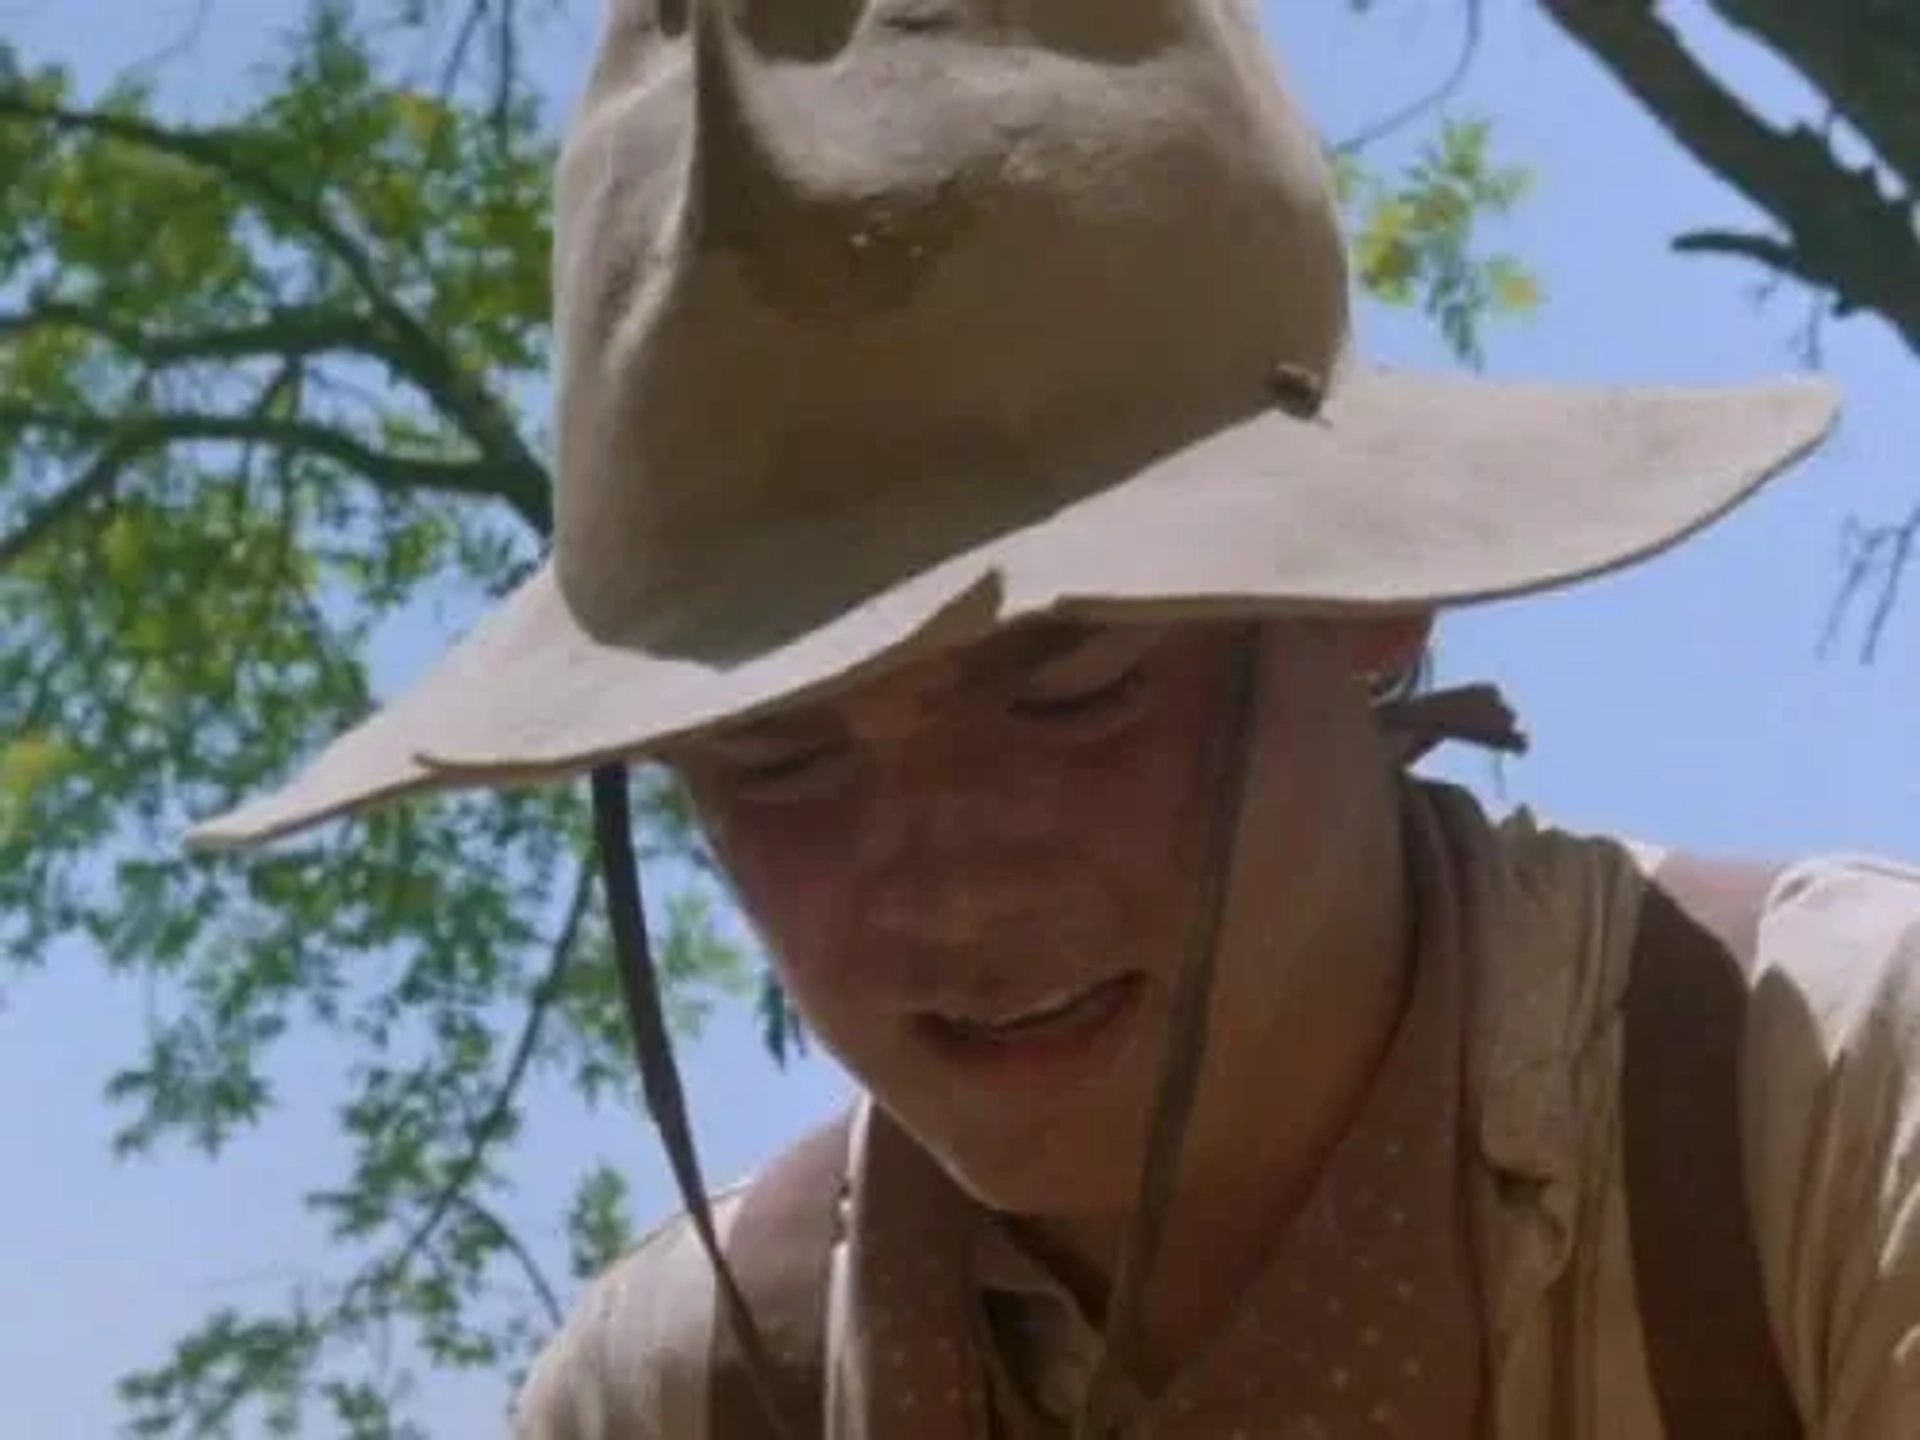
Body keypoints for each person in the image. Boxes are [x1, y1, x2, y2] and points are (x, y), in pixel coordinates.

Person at [189, 1, 1920, 1435]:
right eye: (778, 751)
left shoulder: (1828, 1136)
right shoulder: (680, 1398)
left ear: (1364, 599)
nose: (944, 885)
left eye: (1075, 686)